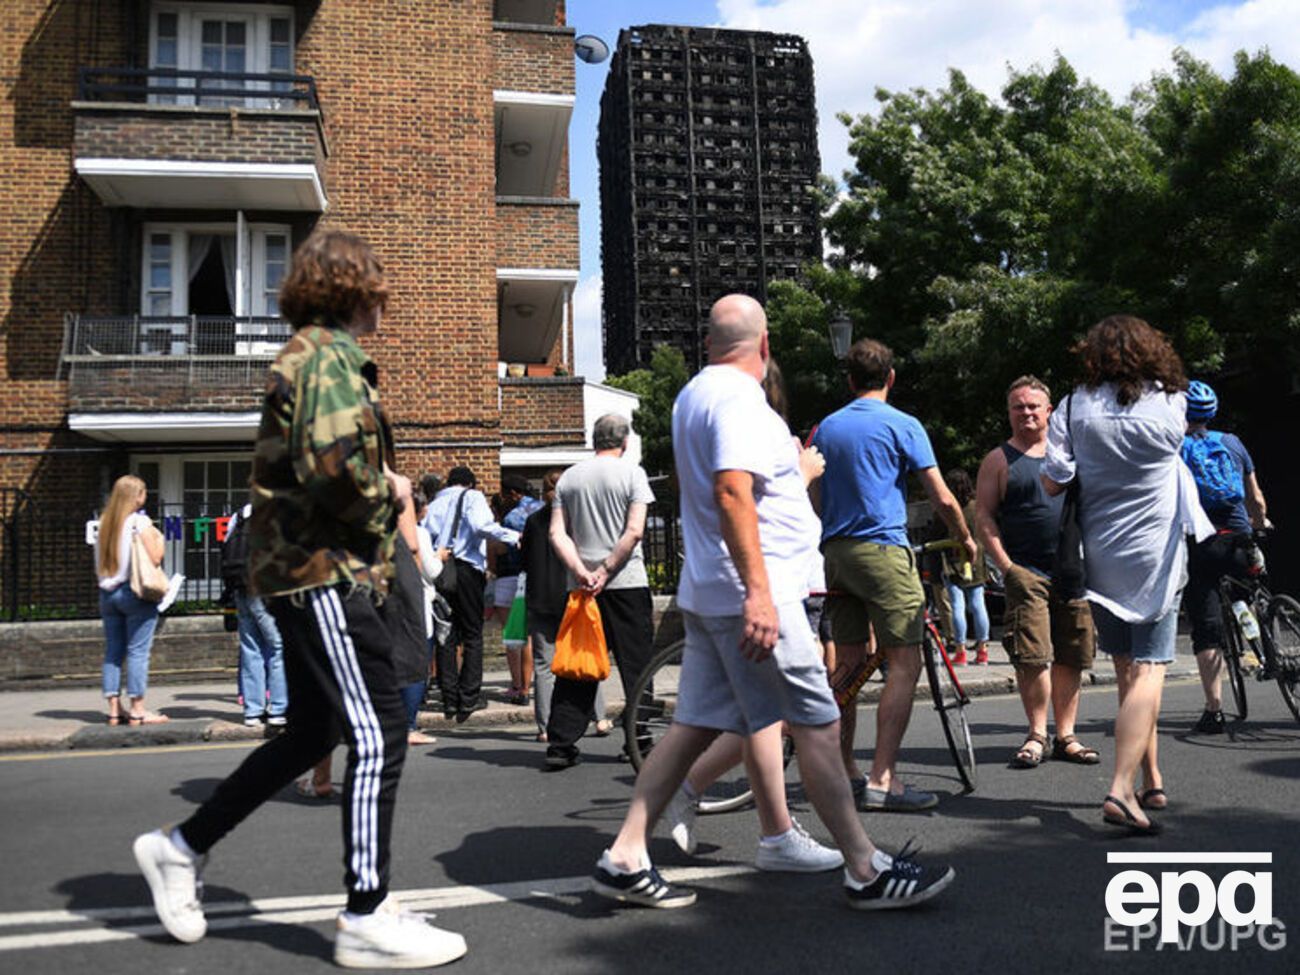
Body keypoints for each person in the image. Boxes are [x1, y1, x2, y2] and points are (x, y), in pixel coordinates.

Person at [131, 230, 467, 967]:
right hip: (324, 573)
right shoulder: (325, 358)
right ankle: (366, 913)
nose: (385, 298)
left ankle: (180, 847)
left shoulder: (313, 357)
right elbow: (338, 473)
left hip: (312, 572)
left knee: (314, 734)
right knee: (379, 727)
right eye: (376, 284)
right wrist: (396, 491)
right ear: (351, 288)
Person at [593, 294, 954, 911]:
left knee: (692, 726)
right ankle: (865, 868)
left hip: (711, 590)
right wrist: (760, 593)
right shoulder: (740, 401)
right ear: (763, 346)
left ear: (710, 343)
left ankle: (625, 853)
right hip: (754, 593)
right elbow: (733, 491)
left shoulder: (693, 395)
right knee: (817, 722)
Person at [660, 358, 843, 871]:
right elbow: (761, 510)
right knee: (784, 717)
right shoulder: (760, 430)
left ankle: (653, 825)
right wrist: (804, 474)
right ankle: (817, 846)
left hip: (749, 589)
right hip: (773, 590)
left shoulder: (703, 415)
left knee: (740, 717)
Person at [1042, 314, 1211, 835]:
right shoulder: (1171, 402)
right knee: (1151, 669)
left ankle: (1150, 777)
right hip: (1156, 554)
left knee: (1126, 671)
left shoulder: (1071, 407)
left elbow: (1052, 483)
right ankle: (1119, 789)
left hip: (1102, 556)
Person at [811, 338, 977, 812]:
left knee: (847, 666)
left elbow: (815, 493)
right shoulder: (902, 424)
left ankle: (843, 771)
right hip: (883, 551)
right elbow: (942, 497)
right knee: (904, 662)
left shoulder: (826, 428)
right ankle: (884, 779)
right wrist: (965, 538)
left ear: (849, 380)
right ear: (891, 377)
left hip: (837, 552)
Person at [974, 377, 1098, 768]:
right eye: (1018, 406)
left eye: (1033, 406)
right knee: (1032, 657)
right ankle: (1036, 734)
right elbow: (984, 516)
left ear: (1049, 412)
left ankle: (1067, 736)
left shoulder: (1072, 455)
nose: (1026, 412)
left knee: (1071, 656)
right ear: (1009, 412)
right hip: (1025, 572)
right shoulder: (998, 460)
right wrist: (1006, 567)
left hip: (1073, 570)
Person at [544, 414, 656, 768]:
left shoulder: (569, 478)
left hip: (581, 587)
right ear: (624, 442)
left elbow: (556, 534)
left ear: (594, 440)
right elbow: (635, 530)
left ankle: (560, 743)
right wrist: (607, 569)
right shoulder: (633, 474)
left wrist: (582, 570)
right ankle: (638, 740)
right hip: (626, 581)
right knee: (637, 663)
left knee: (579, 664)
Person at [1181, 380, 1270, 733]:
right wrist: (1260, 523)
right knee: (1252, 585)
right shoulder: (1232, 443)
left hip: (1201, 543)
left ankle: (1214, 709)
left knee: (1206, 628)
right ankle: (1266, 639)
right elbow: (1256, 498)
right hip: (1238, 539)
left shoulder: (1173, 447)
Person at [424, 466, 520, 722]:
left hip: (442, 570)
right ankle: (468, 698)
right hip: (466, 572)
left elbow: (426, 534)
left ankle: (449, 699)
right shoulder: (472, 496)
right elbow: (480, 526)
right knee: (472, 634)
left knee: (446, 635)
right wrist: (513, 536)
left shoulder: (435, 503)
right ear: (470, 484)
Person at [95, 474, 167, 726]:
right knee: (138, 652)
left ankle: (114, 709)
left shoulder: (104, 523)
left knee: (113, 652)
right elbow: (156, 557)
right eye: (144, 492)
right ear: (137, 496)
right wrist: (160, 539)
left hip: (107, 594)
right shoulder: (139, 521)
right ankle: (138, 708)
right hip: (134, 592)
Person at [222, 500, 288, 728]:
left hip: (240, 588)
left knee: (251, 649)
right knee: (280, 647)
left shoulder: (239, 516)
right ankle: (279, 709)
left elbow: (225, 548)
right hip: (266, 589)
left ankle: (253, 711)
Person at [493, 474, 543, 704]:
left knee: (514, 636)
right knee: (532, 637)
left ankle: (517, 686)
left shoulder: (512, 517)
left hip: (512, 576)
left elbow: (502, 550)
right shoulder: (544, 508)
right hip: (538, 577)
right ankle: (527, 686)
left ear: (514, 493)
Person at [941, 470, 989, 666]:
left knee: (957, 606)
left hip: (953, 562)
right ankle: (982, 650)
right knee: (978, 605)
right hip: (976, 560)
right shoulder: (977, 506)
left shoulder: (946, 510)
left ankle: (960, 651)